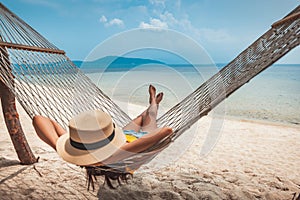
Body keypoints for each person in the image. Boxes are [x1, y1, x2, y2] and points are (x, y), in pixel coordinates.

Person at [32, 85, 173, 167]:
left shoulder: (78, 145)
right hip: (135, 140)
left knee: (141, 117)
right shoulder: (113, 155)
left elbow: (38, 119)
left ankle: (153, 102)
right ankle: (154, 102)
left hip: (118, 137)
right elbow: (167, 130)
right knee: (148, 117)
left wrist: (59, 148)